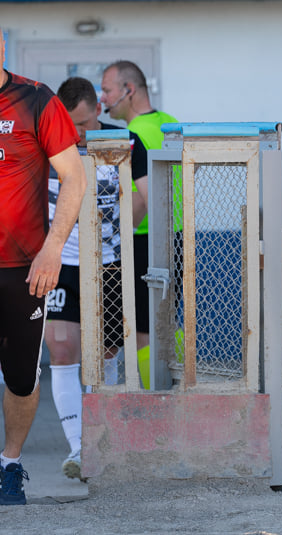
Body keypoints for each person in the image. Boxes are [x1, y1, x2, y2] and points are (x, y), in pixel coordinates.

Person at [45, 77, 148, 480]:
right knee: (62, 348)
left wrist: (116, 231)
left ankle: (104, 443)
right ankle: (78, 447)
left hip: (109, 263)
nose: (80, 134)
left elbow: (141, 197)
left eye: (86, 124)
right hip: (63, 263)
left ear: (97, 112)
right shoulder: (47, 143)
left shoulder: (126, 142)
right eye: (72, 126)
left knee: (106, 356)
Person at [0, 28, 86, 505]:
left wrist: (54, 247)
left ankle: (9, 465)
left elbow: (74, 176)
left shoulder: (35, 100)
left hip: (24, 268)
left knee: (21, 378)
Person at [101, 61, 178, 389]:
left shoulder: (131, 137)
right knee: (168, 324)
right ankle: (174, 393)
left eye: (107, 90)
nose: (102, 99)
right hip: (176, 236)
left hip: (140, 240)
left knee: (141, 331)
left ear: (128, 91)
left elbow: (137, 202)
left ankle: (154, 404)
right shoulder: (171, 124)